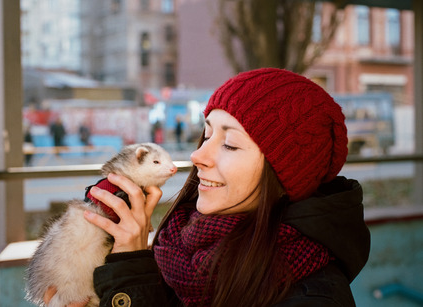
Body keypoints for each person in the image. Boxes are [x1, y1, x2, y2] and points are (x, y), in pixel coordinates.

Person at [44, 68, 370, 306]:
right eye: (207, 133)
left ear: (283, 174)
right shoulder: (180, 249)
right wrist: (126, 270)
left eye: (229, 143)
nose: (198, 155)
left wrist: (129, 276)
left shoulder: (313, 298)